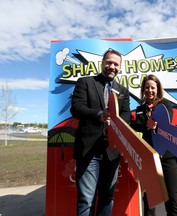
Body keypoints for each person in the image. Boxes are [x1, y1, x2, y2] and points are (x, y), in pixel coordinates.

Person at [70, 48, 131, 216]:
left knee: (107, 197)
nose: (112, 66)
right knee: (86, 199)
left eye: (116, 64)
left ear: (120, 68)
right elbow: (76, 108)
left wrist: (116, 123)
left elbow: (126, 114)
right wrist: (99, 115)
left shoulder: (123, 90)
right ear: (103, 63)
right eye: (109, 62)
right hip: (89, 150)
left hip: (112, 151)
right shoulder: (85, 82)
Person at [130, 74, 177, 216]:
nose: (149, 90)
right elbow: (137, 125)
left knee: (172, 199)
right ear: (143, 90)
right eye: (147, 88)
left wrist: (155, 124)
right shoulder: (140, 109)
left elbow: (166, 122)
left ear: (158, 89)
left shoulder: (165, 105)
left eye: (152, 87)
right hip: (149, 158)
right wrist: (147, 124)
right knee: (150, 200)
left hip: (167, 158)